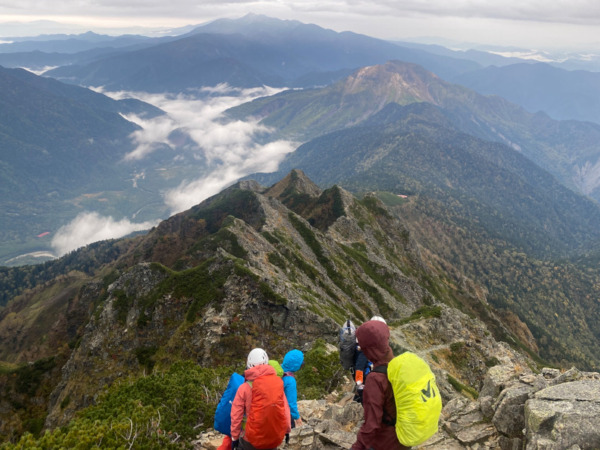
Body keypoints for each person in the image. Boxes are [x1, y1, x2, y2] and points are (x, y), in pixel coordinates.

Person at [351, 320, 409, 450]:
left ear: (369, 349)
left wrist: (357, 447)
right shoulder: (400, 366)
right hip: (405, 438)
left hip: (384, 442)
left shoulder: (376, 379)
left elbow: (371, 426)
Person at [230, 348, 291, 450]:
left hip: (250, 439)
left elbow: (236, 415)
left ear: (249, 365)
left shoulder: (244, 388)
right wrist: (287, 430)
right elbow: (285, 410)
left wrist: (234, 437)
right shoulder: (277, 384)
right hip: (272, 436)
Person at [281, 349, 304, 428]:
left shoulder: (278, 371)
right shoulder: (290, 380)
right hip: (282, 414)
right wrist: (297, 417)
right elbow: (291, 403)